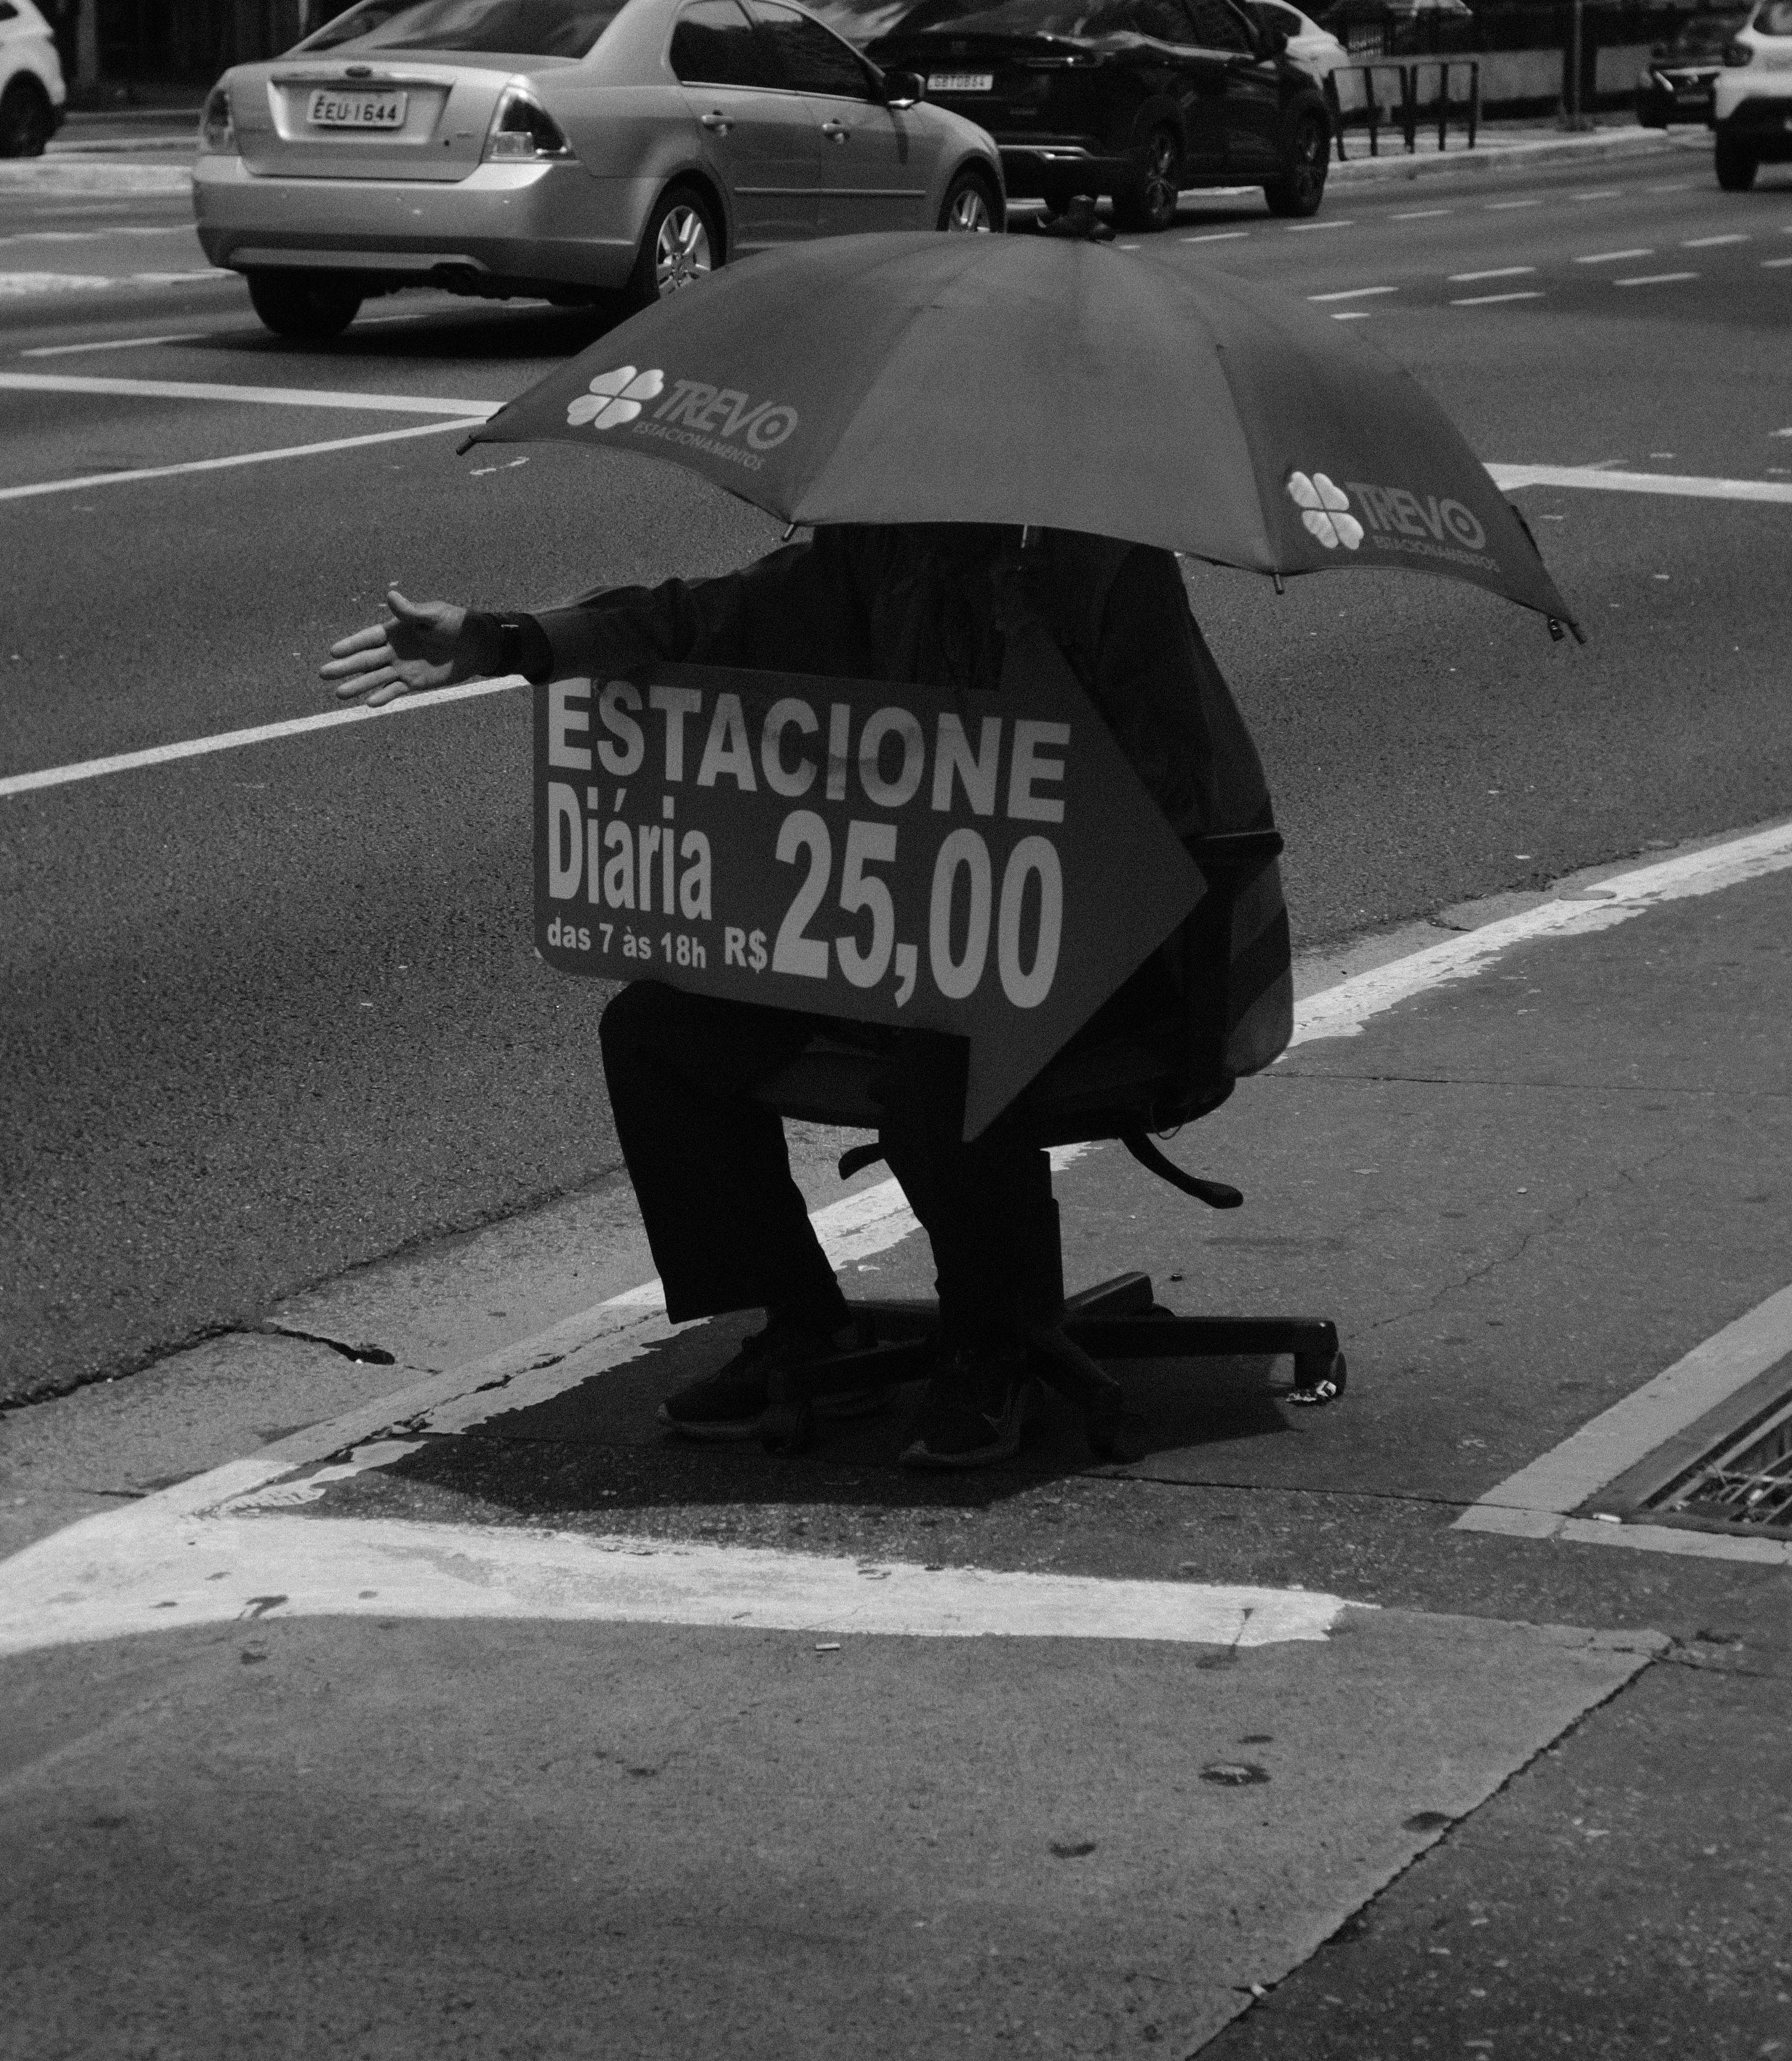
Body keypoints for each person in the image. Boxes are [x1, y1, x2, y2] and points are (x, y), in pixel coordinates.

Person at [321, 523, 1271, 1468]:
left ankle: (993, 1343)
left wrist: (1032, 731)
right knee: (658, 1033)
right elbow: (695, 619)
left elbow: (1183, 792)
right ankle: (803, 1325)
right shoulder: (880, 554)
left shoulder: (1111, 573)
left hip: (1120, 956)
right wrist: (498, 639)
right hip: (910, 942)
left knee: (950, 1047)